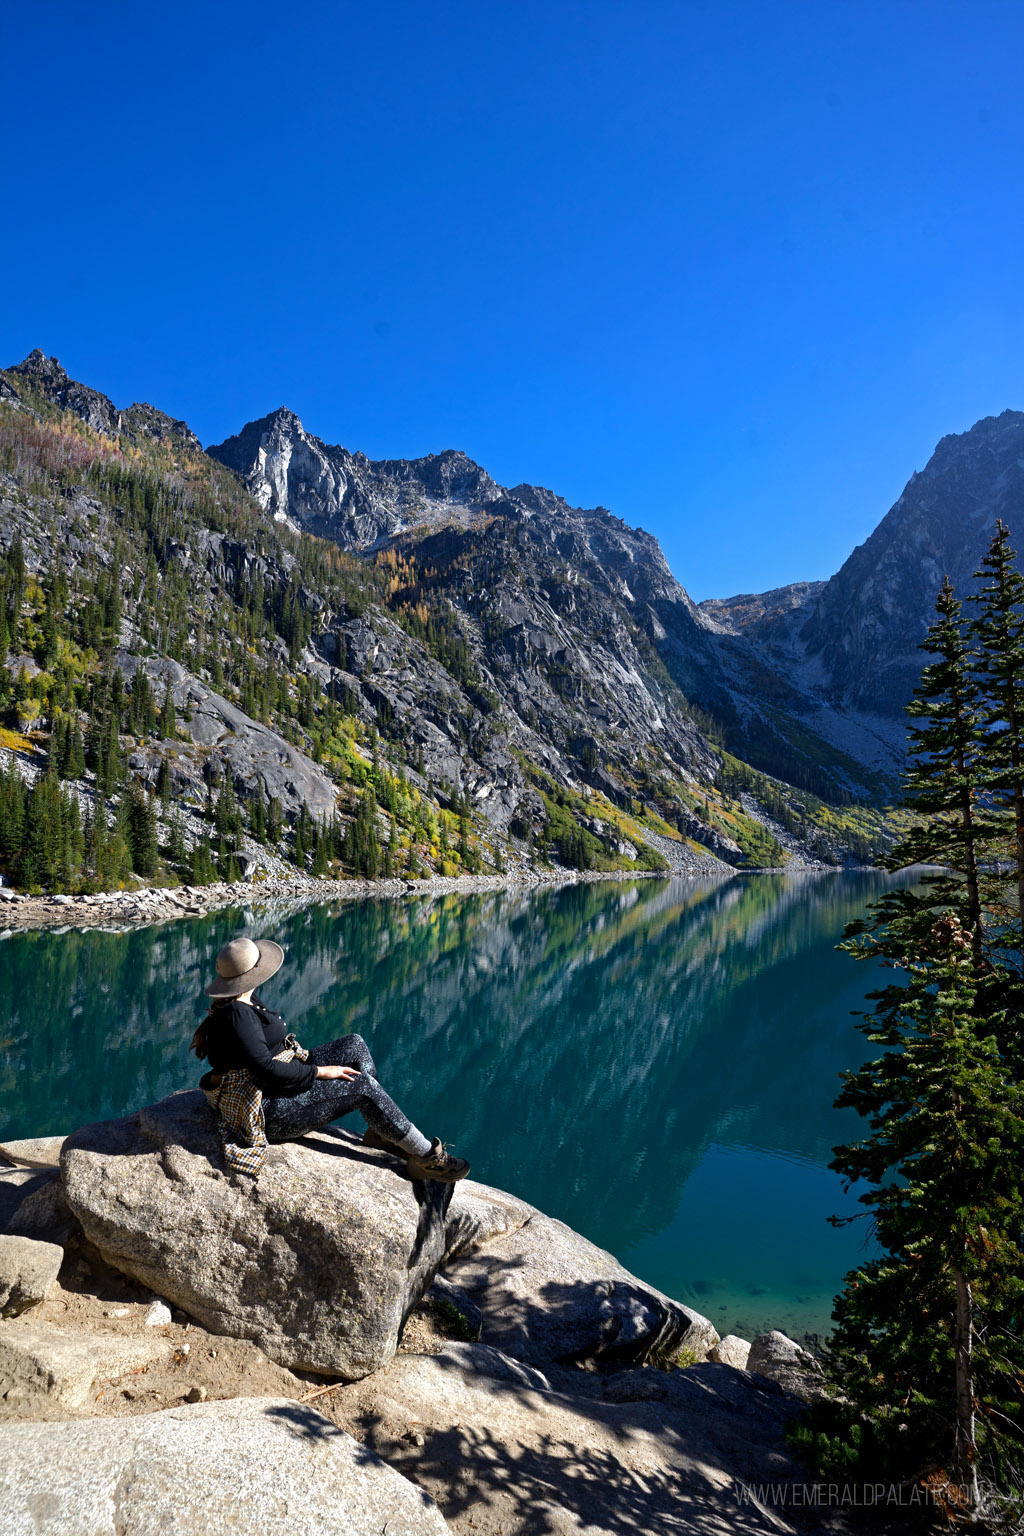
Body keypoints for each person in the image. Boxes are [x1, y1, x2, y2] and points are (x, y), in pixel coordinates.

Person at [192, 936, 469, 1182]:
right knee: (362, 1086)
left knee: (355, 1044)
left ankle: (381, 1130)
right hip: (268, 1110)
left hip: (281, 1077)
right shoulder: (238, 1014)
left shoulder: (240, 1001)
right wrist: (320, 1072)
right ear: (253, 972)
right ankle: (428, 1160)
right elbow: (264, 1068)